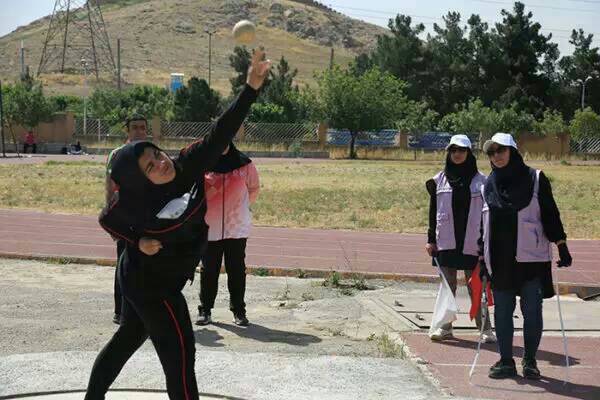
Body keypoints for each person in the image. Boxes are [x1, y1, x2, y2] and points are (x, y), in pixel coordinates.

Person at [84, 49, 270, 400]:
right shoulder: (133, 203)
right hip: (148, 283)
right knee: (181, 353)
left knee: (128, 338)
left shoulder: (186, 165)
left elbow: (220, 133)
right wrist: (137, 241)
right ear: (138, 182)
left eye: (157, 154)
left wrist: (250, 88)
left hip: (165, 274)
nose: (161, 163)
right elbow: (107, 219)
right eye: (150, 167)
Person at [480, 132, 572, 380]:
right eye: (491, 152)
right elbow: (483, 225)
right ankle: (506, 361)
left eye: (501, 151)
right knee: (502, 310)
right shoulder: (489, 183)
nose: (496, 156)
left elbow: (551, 213)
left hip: (531, 259)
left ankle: (530, 360)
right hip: (499, 260)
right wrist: (481, 258)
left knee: (532, 311)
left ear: (513, 152)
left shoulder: (536, 178)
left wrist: (561, 244)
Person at [425, 134, 495, 342]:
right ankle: (445, 327)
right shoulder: (438, 180)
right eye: (453, 150)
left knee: (477, 285)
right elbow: (433, 210)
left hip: (473, 241)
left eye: (462, 150)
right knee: (448, 286)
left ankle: (485, 329)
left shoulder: (482, 181)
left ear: (468, 153)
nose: (457, 154)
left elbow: (487, 213)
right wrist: (431, 239)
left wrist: (487, 241)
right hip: (446, 241)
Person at [196, 143, 260, 327]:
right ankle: (205, 310)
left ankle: (239, 311)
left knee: (237, 270)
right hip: (209, 226)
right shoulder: (203, 163)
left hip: (236, 226)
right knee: (209, 270)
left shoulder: (245, 164)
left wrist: (239, 207)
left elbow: (253, 189)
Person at [105, 114, 148, 325]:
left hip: (148, 221)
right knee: (124, 265)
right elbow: (110, 187)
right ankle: (119, 310)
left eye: (142, 127)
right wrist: (113, 222)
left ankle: (142, 312)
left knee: (147, 267)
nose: (139, 131)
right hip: (125, 219)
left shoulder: (153, 154)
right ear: (127, 131)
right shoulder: (117, 154)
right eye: (134, 128)